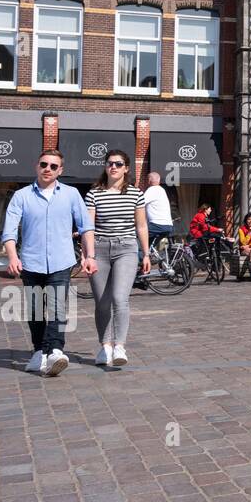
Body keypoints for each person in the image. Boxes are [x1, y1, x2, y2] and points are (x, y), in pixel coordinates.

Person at [1, 148, 96, 377]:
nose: (48, 169)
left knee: (56, 307)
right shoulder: (21, 196)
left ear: (60, 170)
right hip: (31, 263)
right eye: (44, 164)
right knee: (35, 310)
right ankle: (38, 352)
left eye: (53, 166)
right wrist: (13, 256)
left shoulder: (72, 194)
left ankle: (55, 350)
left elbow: (86, 227)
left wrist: (90, 256)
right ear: (37, 165)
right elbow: (9, 231)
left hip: (61, 261)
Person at [85, 149, 150, 368]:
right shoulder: (94, 193)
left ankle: (120, 346)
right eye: (110, 163)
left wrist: (146, 253)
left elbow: (141, 225)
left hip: (126, 249)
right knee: (102, 302)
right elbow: (89, 227)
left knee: (120, 298)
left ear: (126, 168)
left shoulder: (135, 193)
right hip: (100, 250)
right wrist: (89, 255)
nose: (113, 167)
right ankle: (105, 347)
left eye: (118, 164)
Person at [142, 171, 175, 258]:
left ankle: (142, 257)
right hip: (168, 225)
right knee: (148, 245)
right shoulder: (162, 190)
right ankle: (147, 260)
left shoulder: (152, 190)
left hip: (157, 225)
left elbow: (140, 203)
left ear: (149, 180)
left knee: (138, 233)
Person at [189, 202, 226, 274]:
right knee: (215, 237)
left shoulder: (203, 216)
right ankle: (211, 258)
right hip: (197, 234)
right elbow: (205, 227)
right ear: (205, 209)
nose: (211, 210)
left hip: (201, 233)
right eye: (209, 209)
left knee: (214, 237)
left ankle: (213, 256)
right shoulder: (200, 215)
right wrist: (218, 229)